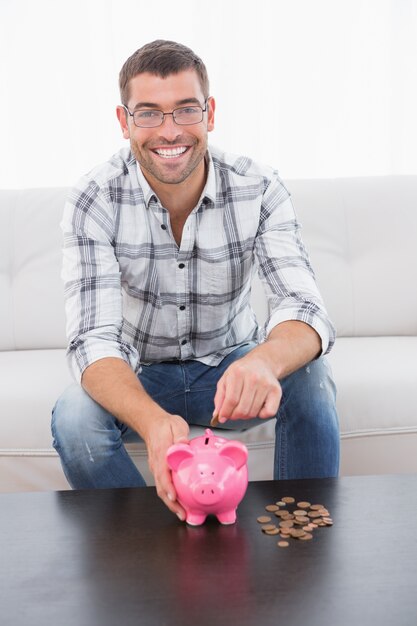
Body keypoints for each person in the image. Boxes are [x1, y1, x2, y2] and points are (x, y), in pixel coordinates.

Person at [51, 39, 339, 522]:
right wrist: (153, 422)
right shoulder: (92, 199)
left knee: (311, 380)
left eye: (185, 110)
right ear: (124, 123)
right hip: (142, 371)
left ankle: (301, 535)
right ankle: (153, 549)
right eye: (149, 114)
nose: (169, 131)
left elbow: (303, 307)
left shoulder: (259, 187)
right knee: (75, 420)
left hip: (232, 367)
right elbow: (93, 340)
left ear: (209, 113)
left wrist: (264, 362)